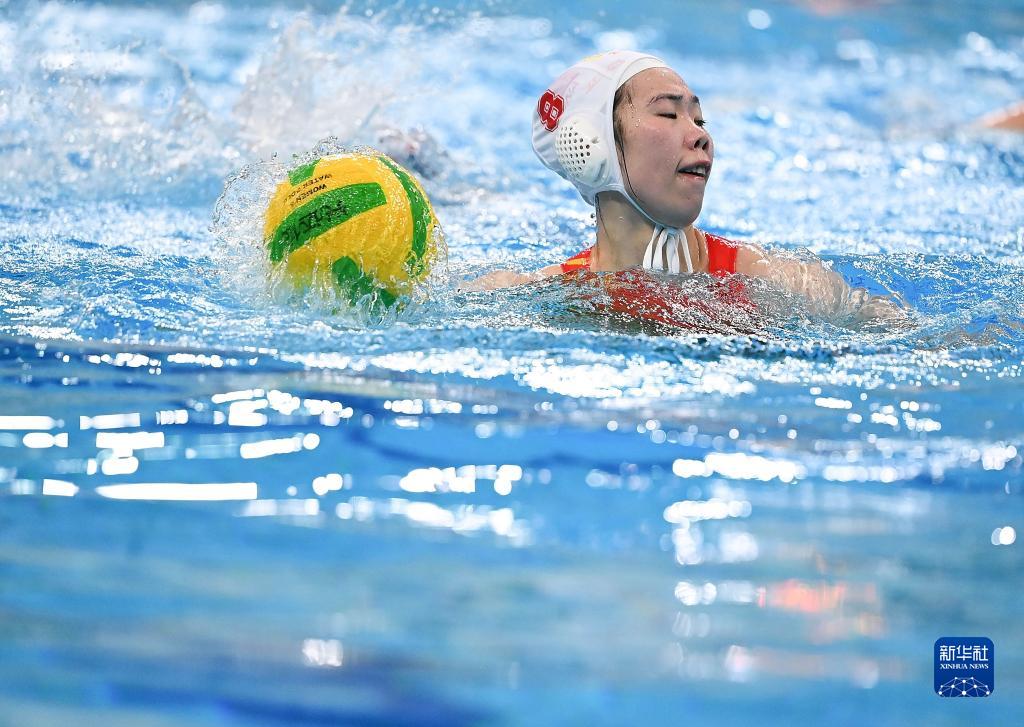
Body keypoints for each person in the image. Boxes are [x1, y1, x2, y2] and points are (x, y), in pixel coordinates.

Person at [464, 50, 905, 329]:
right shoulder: (525, 296)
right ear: (592, 146)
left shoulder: (780, 282)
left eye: (699, 120)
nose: (700, 136)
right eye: (669, 115)